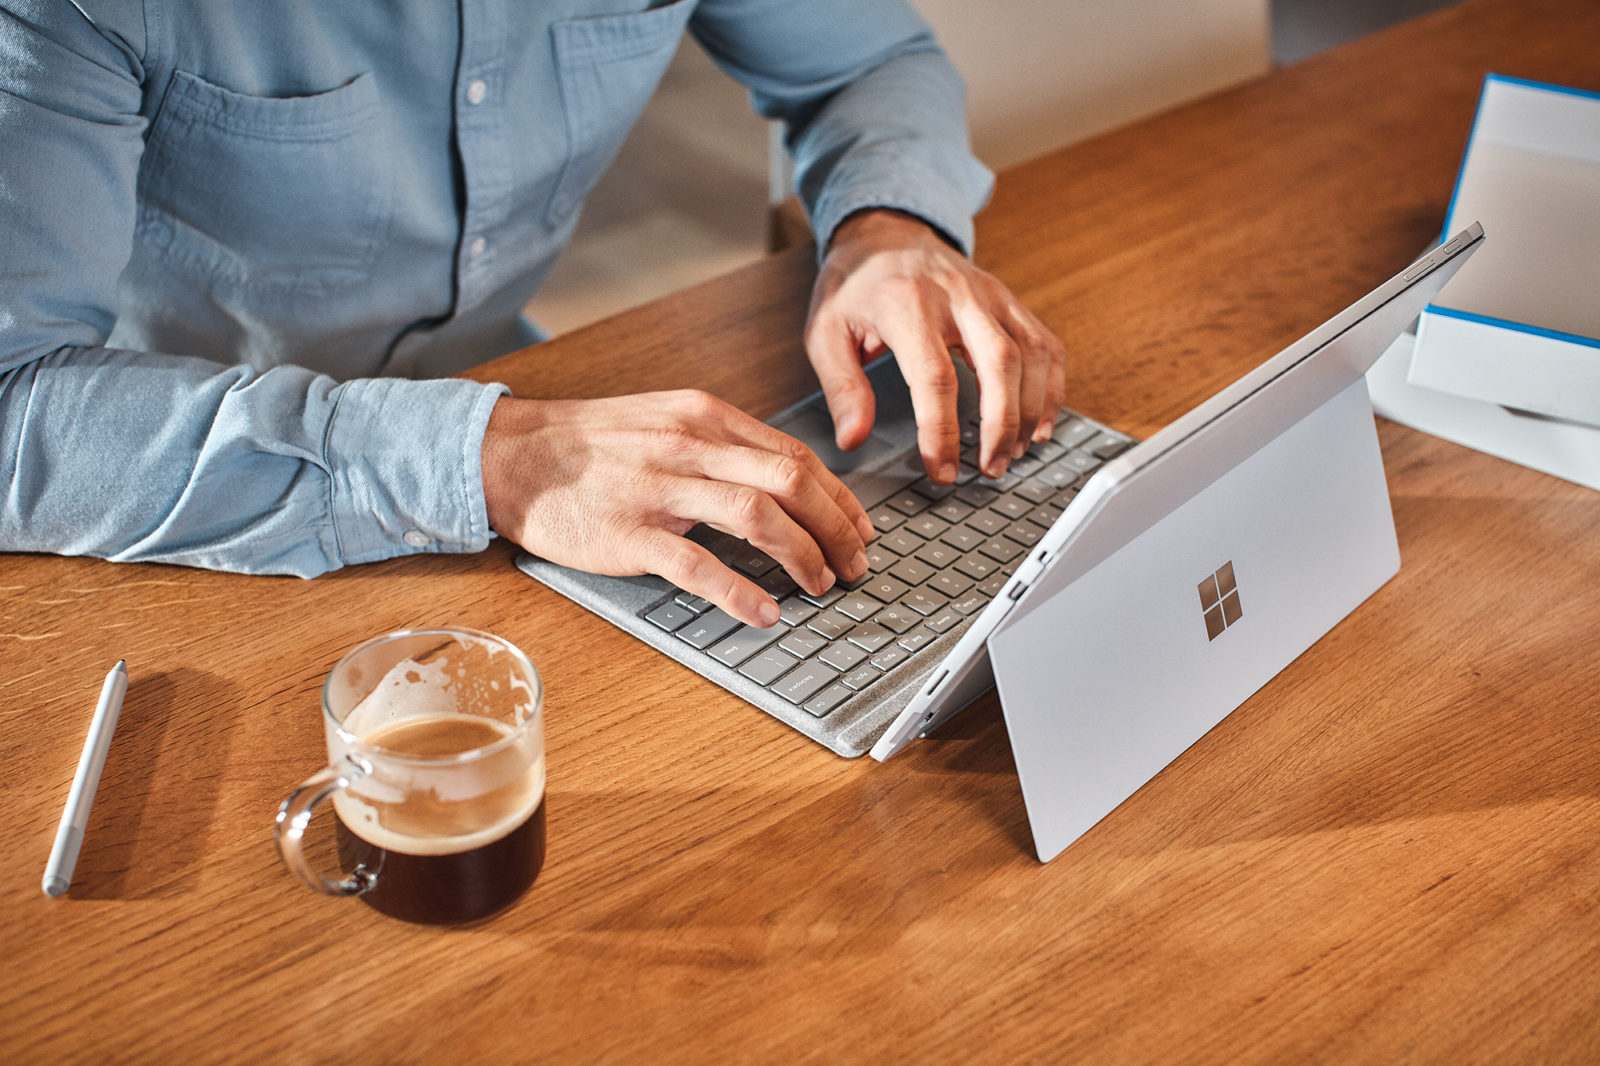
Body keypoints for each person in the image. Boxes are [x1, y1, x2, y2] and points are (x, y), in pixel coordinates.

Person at [0, 0, 1066, 628]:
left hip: (530, 425)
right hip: (171, 527)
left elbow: (867, 59)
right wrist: (484, 460)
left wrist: (886, 227)